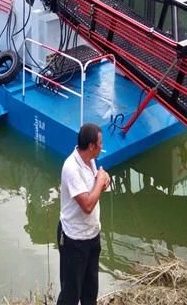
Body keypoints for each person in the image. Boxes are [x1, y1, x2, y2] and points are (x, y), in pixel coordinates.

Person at [57, 123, 111, 305]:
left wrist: (103, 181)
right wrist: (100, 182)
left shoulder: (90, 161)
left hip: (92, 235)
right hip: (74, 239)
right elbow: (87, 205)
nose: (102, 146)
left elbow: (95, 187)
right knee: (70, 294)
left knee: (90, 292)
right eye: (100, 143)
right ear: (91, 146)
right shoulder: (71, 168)